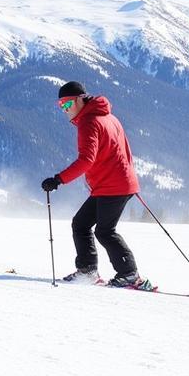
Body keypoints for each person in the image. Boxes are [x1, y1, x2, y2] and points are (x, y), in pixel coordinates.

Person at [41, 81, 144, 288]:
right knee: (81, 224)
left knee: (105, 231)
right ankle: (87, 270)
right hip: (115, 183)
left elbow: (86, 160)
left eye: (68, 104)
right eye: (61, 106)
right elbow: (124, 149)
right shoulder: (109, 117)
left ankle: (129, 274)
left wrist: (58, 179)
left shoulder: (89, 122)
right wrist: (130, 179)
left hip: (113, 186)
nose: (65, 109)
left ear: (80, 99)